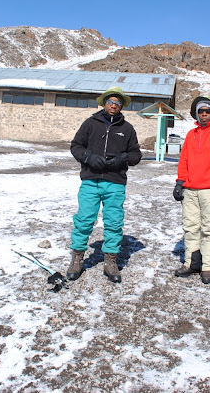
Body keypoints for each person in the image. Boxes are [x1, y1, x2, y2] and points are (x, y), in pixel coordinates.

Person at [66, 87, 142, 283]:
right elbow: (76, 145)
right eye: (110, 102)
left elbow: (136, 155)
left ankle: (110, 260)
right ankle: (77, 258)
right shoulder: (90, 124)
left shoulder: (127, 129)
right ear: (104, 103)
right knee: (83, 219)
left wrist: (122, 158)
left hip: (115, 182)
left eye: (118, 103)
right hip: (91, 180)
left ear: (121, 106)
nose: (114, 106)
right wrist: (88, 156)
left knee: (114, 222)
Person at [172, 96, 210, 285]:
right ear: (196, 114)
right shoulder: (191, 135)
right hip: (190, 190)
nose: (204, 114)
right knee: (190, 228)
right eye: (201, 111)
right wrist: (179, 183)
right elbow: (184, 161)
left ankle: (208, 266)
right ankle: (192, 263)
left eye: (208, 111)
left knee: (209, 229)